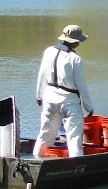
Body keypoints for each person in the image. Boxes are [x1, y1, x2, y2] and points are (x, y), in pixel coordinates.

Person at [33, 24, 94, 157]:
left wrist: (39, 95)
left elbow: (41, 75)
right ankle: (76, 167)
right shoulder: (75, 59)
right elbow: (81, 85)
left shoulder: (48, 51)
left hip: (49, 98)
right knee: (74, 138)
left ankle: (36, 161)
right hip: (69, 102)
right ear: (76, 41)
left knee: (45, 134)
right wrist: (88, 106)